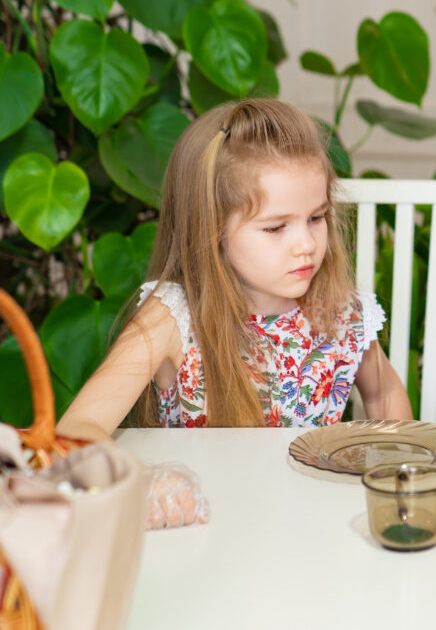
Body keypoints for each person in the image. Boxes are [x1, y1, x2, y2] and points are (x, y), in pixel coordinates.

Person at [58, 99, 412, 444]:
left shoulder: (338, 310)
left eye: (316, 218)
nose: (306, 244)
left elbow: (385, 394)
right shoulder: (173, 317)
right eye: (276, 228)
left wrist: (400, 471)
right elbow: (80, 426)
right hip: (206, 504)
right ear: (211, 229)